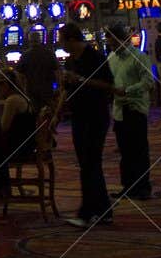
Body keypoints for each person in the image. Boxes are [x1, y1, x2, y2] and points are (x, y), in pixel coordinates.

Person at [60, 24, 115, 227]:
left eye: (62, 40)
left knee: (91, 163)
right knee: (87, 164)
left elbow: (109, 85)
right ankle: (101, 210)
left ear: (72, 40)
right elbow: (67, 89)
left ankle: (90, 212)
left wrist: (82, 80)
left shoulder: (95, 57)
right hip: (79, 115)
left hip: (96, 115)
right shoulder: (70, 60)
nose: (60, 44)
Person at [106, 26, 153, 200]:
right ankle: (128, 186)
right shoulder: (111, 58)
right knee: (125, 152)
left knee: (139, 151)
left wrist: (127, 90)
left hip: (135, 108)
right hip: (119, 110)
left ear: (123, 40)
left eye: (113, 44)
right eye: (109, 44)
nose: (111, 47)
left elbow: (148, 82)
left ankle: (143, 187)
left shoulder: (139, 57)